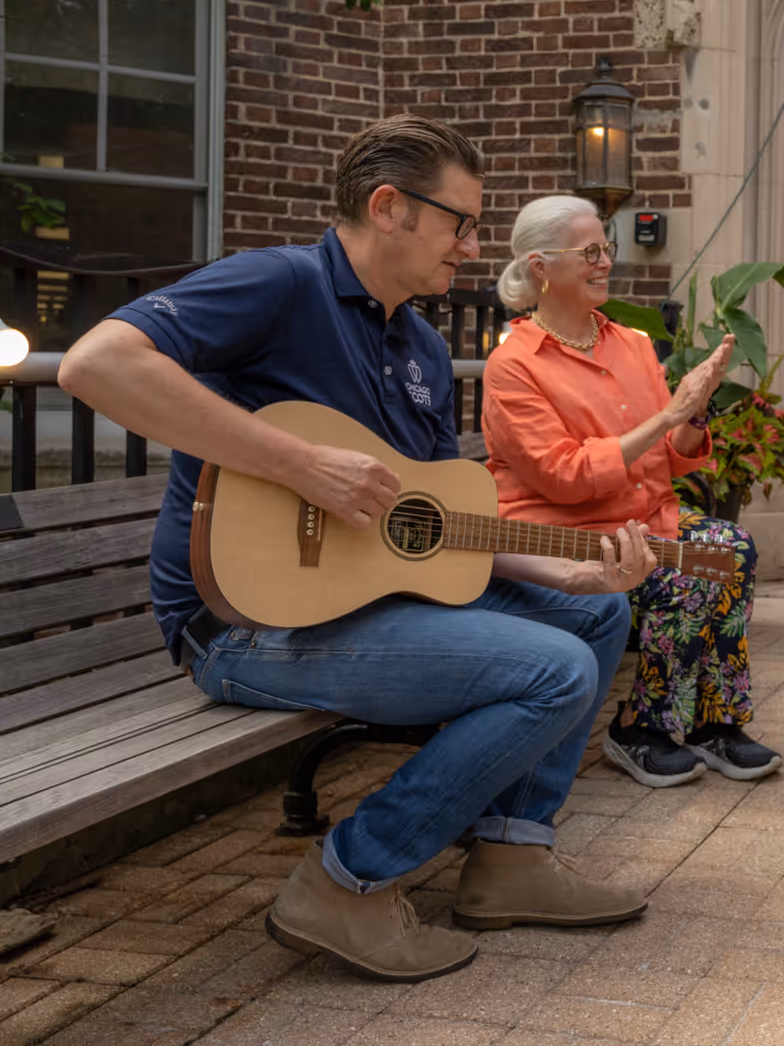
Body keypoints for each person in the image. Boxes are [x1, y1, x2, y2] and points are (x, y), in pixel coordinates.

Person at [57, 116, 654, 985]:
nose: (473, 246)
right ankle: (346, 879)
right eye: (460, 222)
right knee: (552, 670)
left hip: (365, 603)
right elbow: (94, 364)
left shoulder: (415, 338)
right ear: (389, 207)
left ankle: (511, 855)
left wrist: (558, 566)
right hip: (240, 623)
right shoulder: (278, 284)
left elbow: (429, 527)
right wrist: (297, 464)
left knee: (595, 610)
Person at [481, 195, 783, 789]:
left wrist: (693, 416)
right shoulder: (513, 364)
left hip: (643, 517)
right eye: (589, 251)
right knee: (685, 572)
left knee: (728, 549)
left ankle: (709, 722)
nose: (605, 262)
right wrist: (668, 415)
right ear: (541, 266)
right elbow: (562, 475)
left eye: (607, 248)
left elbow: (669, 460)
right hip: (564, 535)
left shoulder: (633, 343)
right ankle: (637, 728)